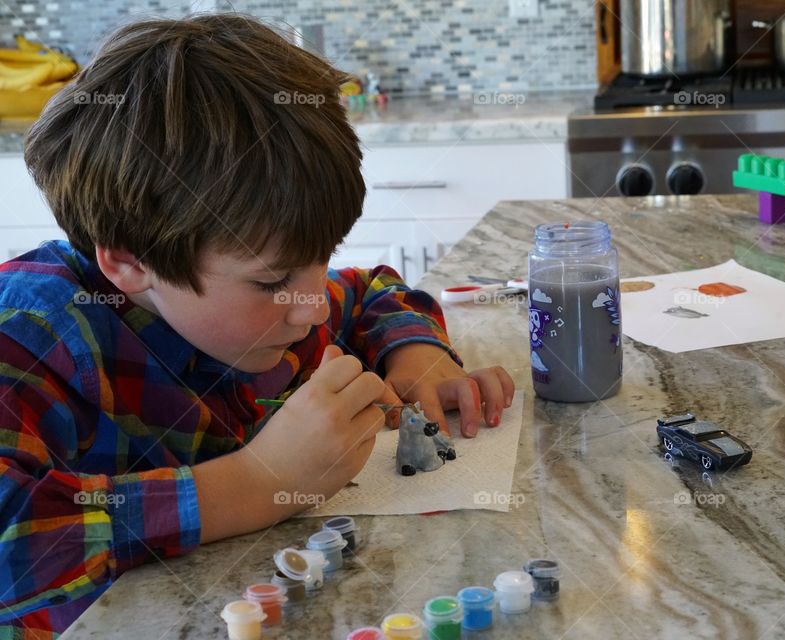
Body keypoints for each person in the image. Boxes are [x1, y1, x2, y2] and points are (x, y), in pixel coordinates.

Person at [0, 14, 514, 636]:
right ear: (128, 261)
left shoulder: (279, 298)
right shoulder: (30, 335)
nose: (313, 307)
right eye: (272, 282)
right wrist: (258, 482)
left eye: (319, 261)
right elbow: (13, 537)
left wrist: (417, 357)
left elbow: (371, 291)